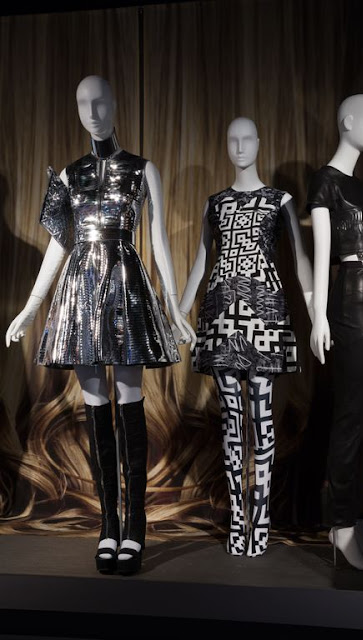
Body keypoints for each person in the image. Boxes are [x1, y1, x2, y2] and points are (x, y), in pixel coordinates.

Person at [6, 75, 194, 575]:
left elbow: (158, 239)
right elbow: (60, 244)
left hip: (125, 287)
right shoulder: (70, 176)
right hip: (80, 293)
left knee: (129, 402)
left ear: (115, 104)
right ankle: (108, 527)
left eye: (100, 102)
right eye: (83, 104)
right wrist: (31, 306)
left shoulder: (142, 169)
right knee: (95, 407)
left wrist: (174, 305)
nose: (92, 112)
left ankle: (136, 528)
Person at [178, 117, 313, 557]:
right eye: (232, 139)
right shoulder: (215, 203)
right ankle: (239, 518)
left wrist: (317, 313)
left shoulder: (279, 201)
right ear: (226, 144)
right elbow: (201, 263)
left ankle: (262, 519)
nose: (239, 147)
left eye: (246, 139)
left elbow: (301, 261)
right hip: (220, 313)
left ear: (258, 142)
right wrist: (179, 312)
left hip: (266, 314)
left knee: (262, 418)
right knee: (232, 423)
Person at [307, 94, 363, 571]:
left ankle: (360, 524)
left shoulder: (361, 186)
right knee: (347, 420)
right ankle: (340, 527)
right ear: (348, 122)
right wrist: (319, 316)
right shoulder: (327, 181)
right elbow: (323, 254)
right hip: (353, 292)